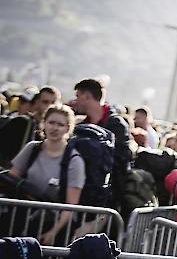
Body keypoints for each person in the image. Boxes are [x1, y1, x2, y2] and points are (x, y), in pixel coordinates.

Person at [9, 105, 85, 245]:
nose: (54, 128)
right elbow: (11, 181)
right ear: (43, 123)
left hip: (52, 225)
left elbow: (70, 207)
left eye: (60, 124)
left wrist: (52, 233)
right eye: (51, 122)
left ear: (68, 128)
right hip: (21, 218)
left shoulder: (74, 161)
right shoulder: (32, 148)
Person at [74, 78, 131, 208]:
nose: (75, 101)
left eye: (78, 96)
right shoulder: (81, 127)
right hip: (83, 193)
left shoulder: (116, 124)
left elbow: (121, 163)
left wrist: (115, 199)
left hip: (107, 197)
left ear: (87, 96)